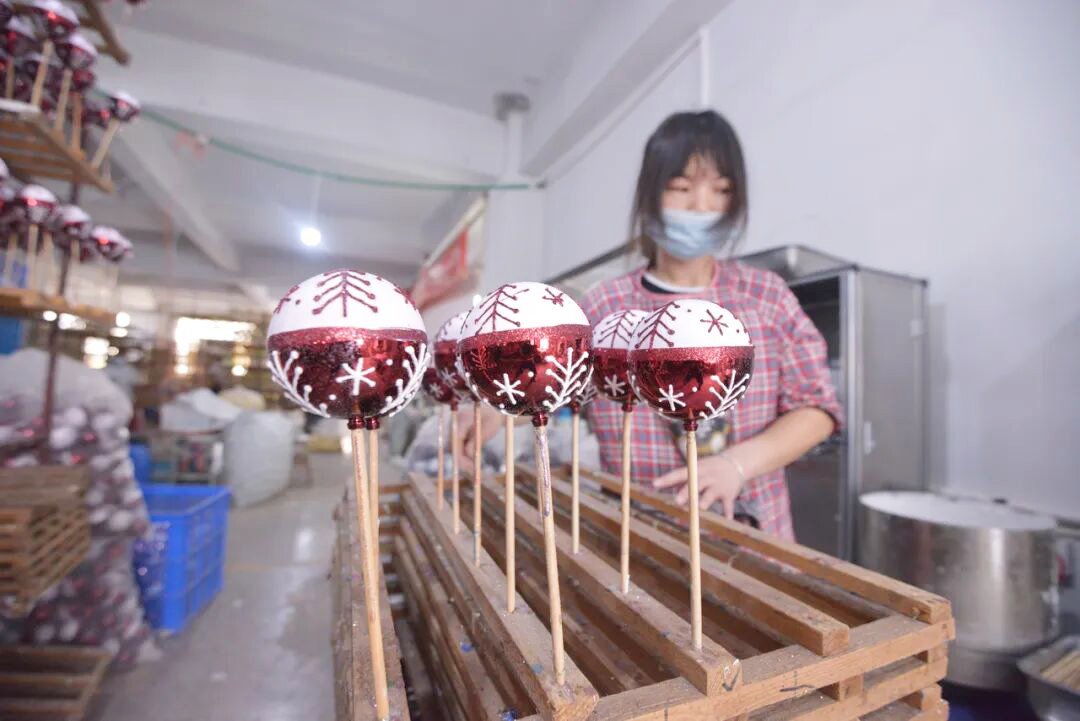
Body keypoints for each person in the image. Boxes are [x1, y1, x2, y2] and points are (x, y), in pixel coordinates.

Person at [462, 110, 841, 540]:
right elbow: (553, 383)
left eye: (721, 190)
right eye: (681, 188)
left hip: (754, 539)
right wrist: (497, 410)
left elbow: (818, 409)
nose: (702, 206)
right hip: (638, 540)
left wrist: (739, 464)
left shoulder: (766, 297)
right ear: (650, 195)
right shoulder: (605, 307)